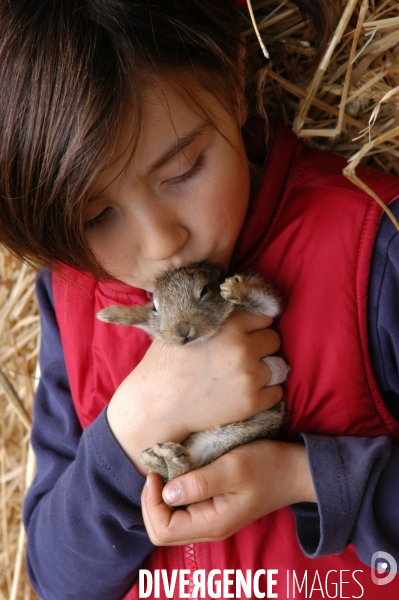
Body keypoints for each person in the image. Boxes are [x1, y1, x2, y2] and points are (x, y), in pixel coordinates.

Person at [0, 0, 398, 598]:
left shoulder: (375, 247)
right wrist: (130, 434)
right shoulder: (72, 296)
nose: (163, 242)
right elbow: (57, 579)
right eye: (98, 215)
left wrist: (304, 479)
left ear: (234, 83)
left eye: (184, 169)